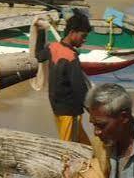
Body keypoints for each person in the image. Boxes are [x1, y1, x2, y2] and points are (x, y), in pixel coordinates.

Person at [35, 11, 92, 144]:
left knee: (84, 145)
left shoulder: (53, 48)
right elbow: (80, 88)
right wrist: (92, 110)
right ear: (72, 32)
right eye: (83, 36)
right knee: (67, 147)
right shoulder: (71, 57)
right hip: (70, 112)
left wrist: (41, 32)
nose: (84, 40)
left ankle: (93, 160)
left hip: (57, 107)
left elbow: (39, 55)